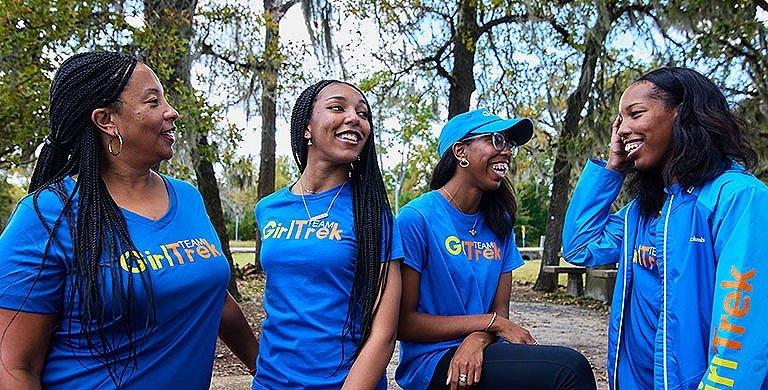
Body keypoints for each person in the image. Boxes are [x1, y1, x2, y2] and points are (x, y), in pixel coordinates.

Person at [0, 51, 257, 388]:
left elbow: (213, 294)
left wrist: (264, 367)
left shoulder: (188, 199)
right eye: (153, 102)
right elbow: (15, 367)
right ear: (107, 120)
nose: (171, 112)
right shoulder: (45, 217)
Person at [562, 67, 768, 389]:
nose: (622, 130)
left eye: (635, 114)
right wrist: (613, 167)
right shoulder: (642, 211)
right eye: (620, 120)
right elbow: (580, 246)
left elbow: (740, 328)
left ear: (681, 113)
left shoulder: (737, 197)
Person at [396, 108, 596, 390]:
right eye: (496, 140)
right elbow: (404, 323)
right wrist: (492, 324)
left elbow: (500, 314)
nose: (507, 151)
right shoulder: (416, 218)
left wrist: (479, 336)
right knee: (569, 369)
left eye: (509, 144)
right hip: (432, 361)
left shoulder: (499, 222)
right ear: (460, 151)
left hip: (485, 348)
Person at [252, 80, 402, 389]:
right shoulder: (269, 208)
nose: (354, 118)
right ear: (306, 126)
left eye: (363, 114)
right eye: (338, 107)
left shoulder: (373, 214)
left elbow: (384, 332)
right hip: (271, 382)